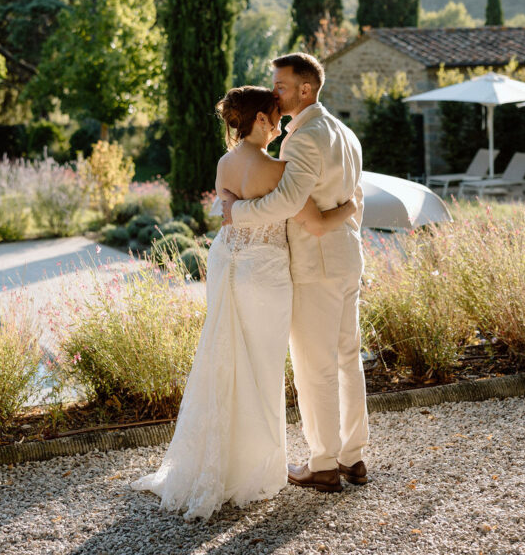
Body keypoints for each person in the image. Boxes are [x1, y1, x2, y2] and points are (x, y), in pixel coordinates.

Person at [131, 85, 356, 520]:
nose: (278, 125)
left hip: (226, 263)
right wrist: (350, 207)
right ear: (257, 120)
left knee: (224, 358)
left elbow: (229, 209)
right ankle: (254, 469)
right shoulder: (276, 170)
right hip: (264, 273)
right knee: (262, 368)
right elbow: (316, 222)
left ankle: (217, 462)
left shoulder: (224, 162)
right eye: (274, 117)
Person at [222, 53, 368, 495]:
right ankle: (353, 456)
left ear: (305, 89)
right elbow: (354, 195)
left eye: (281, 86)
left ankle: (323, 464)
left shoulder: (303, 139)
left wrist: (237, 211)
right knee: (348, 360)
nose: (276, 94)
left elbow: (287, 201)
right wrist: (339, 215)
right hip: (346, 259)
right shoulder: (345, 133)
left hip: (315, 265)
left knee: (314, 368)